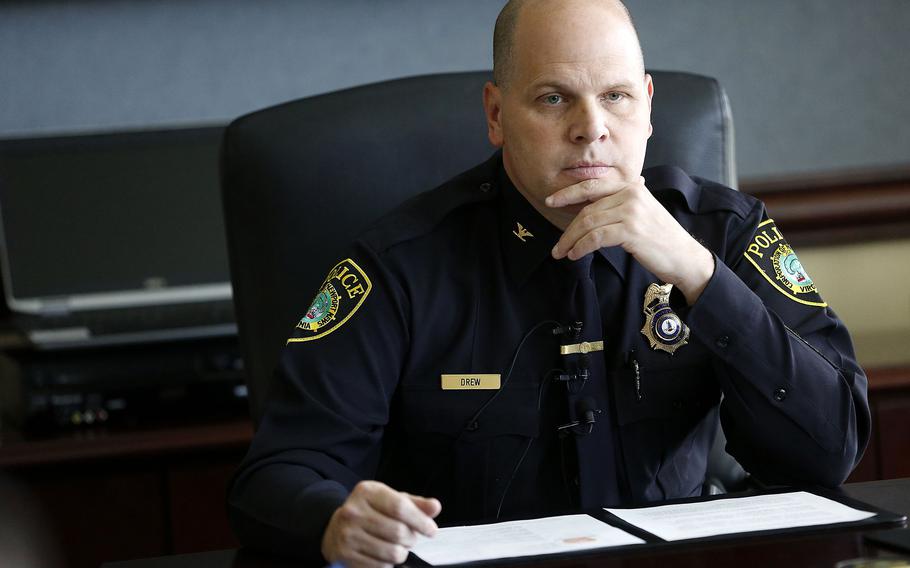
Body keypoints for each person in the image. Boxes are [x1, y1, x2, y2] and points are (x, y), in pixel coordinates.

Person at [228, 1, 870, 566]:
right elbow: (276, 475)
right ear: (497, 114)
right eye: (554, 97)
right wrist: (337, 520)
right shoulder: (399, 265)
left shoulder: (723, 233)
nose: (591, 127)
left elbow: (830, 450)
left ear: (648, 108)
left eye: (616, 96)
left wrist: (702, 278)